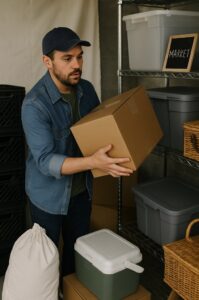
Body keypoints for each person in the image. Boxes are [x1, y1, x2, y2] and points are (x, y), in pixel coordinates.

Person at [21, 27, 133, 279]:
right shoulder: (34, 105)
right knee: (47, 261)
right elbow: (46, 161)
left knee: (77, 252)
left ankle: (71, 290)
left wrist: (120, 153)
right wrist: (94, 162)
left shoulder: (87, 90)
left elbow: (98, 130)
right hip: (47, 197)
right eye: (67, 58)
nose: (76, 64)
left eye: (79, 56)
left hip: (82, 192)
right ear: (47, 62)